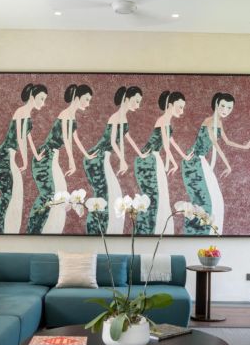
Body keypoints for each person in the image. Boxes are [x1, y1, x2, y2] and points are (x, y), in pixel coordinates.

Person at [26, 84, 96, 234]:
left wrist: (87, 155)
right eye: (86, 99)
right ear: (77, 98)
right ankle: (35, 227)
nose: (88, 103)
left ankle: (47, 228)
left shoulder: (72, 117)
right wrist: (71, 160)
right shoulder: (65, 114)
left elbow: (75, 139)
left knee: (59, 193)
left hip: (52, 156)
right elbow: (66, 137)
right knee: (50, 194)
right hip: (45, 157)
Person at [181, 92, 250, 235]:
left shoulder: (219, 122)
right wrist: (228, 165)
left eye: (229, 108)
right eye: (223, 106)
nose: (225, 110)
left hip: (200, 160)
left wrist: (244, 147)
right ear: (216, 104)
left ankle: (210, 231)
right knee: (206, 199)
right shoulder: (208, 122)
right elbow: (216, 144)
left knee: (215, 198)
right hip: (193, 160)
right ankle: (199, 231)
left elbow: (226, 141)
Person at [84, 86, 147, 234]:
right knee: (105, 194)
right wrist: (122, 160)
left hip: (103, 157)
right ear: (126, 99)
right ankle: (96, 229)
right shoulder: (115, 117)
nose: (137, 106)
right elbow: (113, 142)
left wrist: (138, 154)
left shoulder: (123, 118)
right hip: (96, 158)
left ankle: (108, 229)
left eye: (139, 102)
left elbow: (126, 139)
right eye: (135, 101)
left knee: (114, 193)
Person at [0, 83, 47, 233]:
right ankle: (0, 228)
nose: (43, 103)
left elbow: (28, 137)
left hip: (9, 157)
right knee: (10, 194)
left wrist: (36, 155)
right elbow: (21, 139)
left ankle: (7, 228)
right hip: (4, 158)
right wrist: (26, 162)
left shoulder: (25, 113)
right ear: (32, 97)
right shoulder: (22, 112)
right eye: (41, 98)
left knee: (15, 193)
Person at [134, 90, 189, 234]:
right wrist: (173, 163)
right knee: (154, 196)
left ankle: (157, 229)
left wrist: (183, 156)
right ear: (170, 105)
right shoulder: (163, 120)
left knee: (160, 193)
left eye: (183, 107)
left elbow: (172, 142)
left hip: (153, 158)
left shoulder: (167, 122)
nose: (181, 111)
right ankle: (148, 229)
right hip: (147, 160)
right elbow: (165, 144)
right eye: (179, 107)